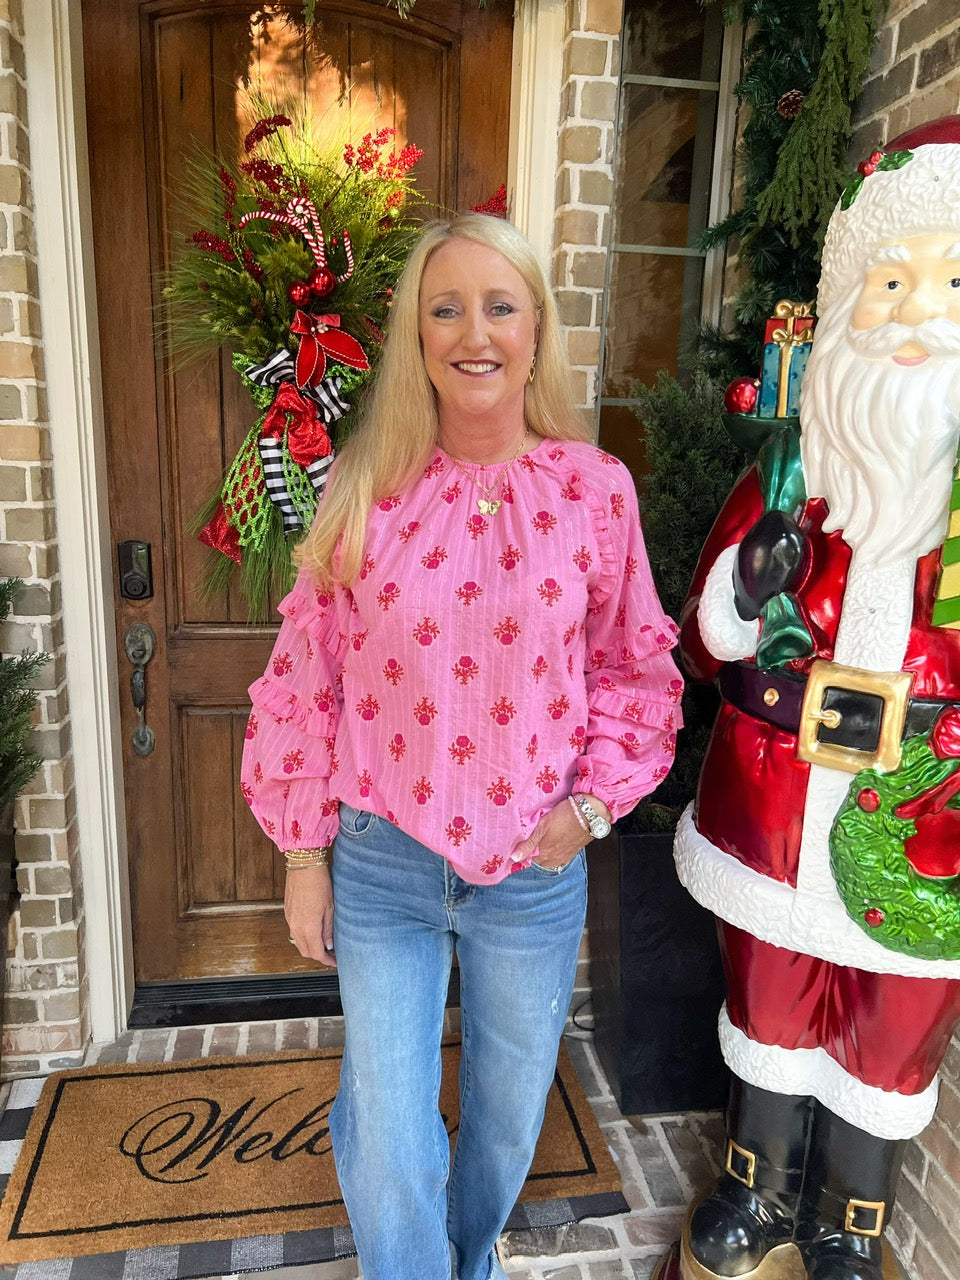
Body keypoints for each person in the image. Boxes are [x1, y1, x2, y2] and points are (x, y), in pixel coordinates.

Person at [240, 213, 682, 1280]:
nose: (472, 330)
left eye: (499, 305)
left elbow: (633, 669)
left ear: (534, 328)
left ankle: (465, 1257)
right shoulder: (365, 489)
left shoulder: (593, 491)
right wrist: (305, 852)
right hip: (385, 858)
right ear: (417, 336)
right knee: (388, 1123)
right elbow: (307, 676)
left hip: (532, 874)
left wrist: (590, 809)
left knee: (504, 1120)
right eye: (446, 308)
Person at [672, 117, 960, 1280]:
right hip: (781, 800)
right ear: (847, 302)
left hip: (924, 815)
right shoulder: (792, 474)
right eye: (892, 283)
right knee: (774, 999)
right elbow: (706, 637)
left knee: (890, 1025)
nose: (923, 316)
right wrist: (753, 579)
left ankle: (852, 1222)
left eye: (953, 283)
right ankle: (757, 1194)